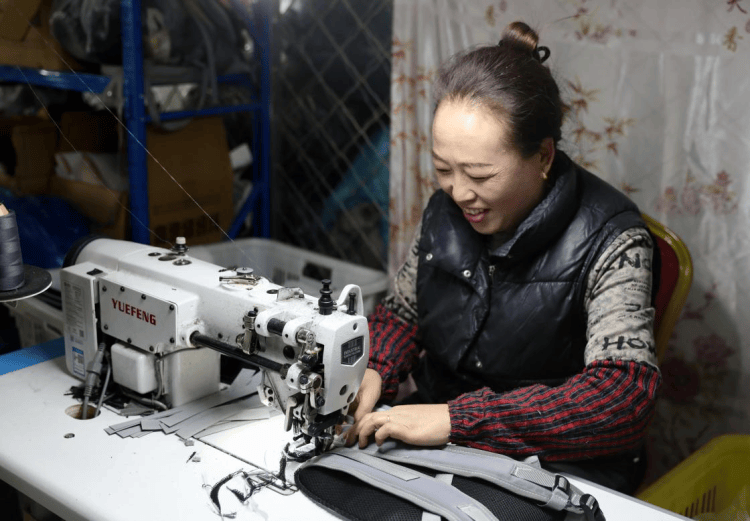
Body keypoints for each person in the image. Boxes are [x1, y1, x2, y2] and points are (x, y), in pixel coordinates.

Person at [343, 20, 661, 495]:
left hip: (555, 467)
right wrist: (376, 368)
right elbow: (404, 314)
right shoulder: (445, 213)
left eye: (479, 175)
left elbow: (621, 396)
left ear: (543, 157)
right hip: (445, 444)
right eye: (443, 169)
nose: (458, 192)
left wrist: (458, 420)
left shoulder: (614, 240)